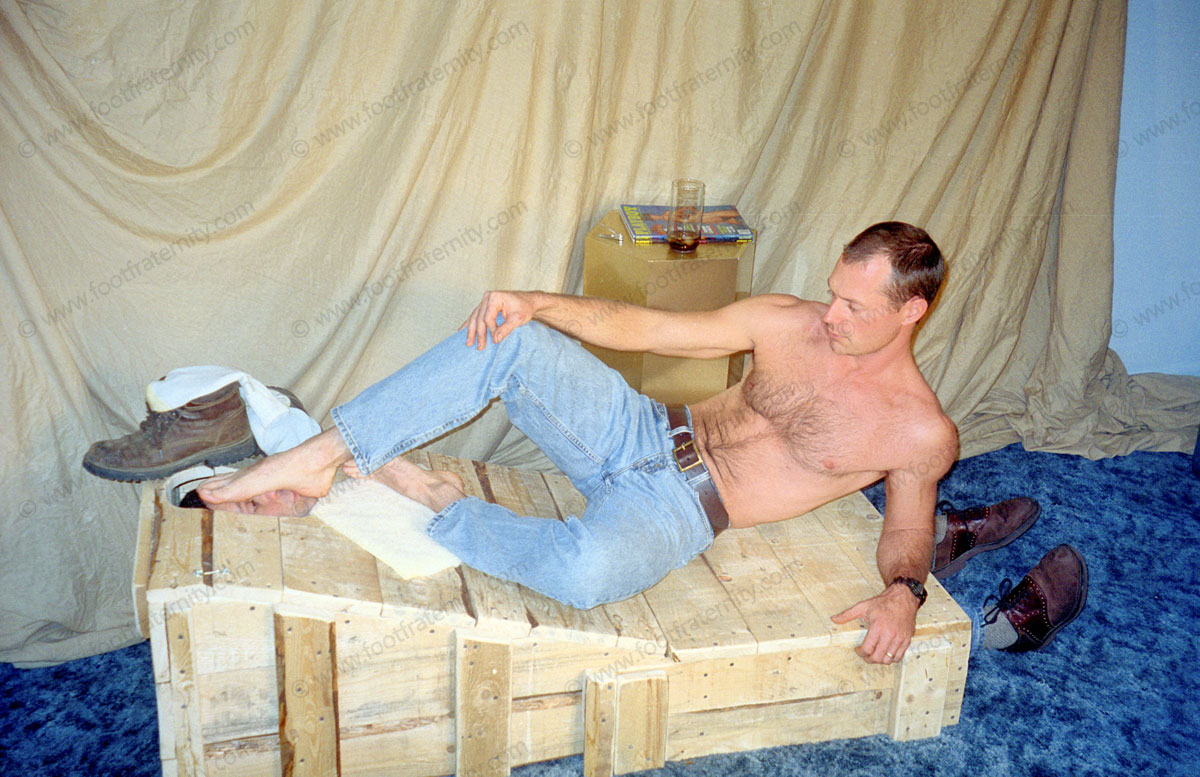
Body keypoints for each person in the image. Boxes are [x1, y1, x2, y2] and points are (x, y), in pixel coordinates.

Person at [199, 222, 1088, 664]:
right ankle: (317, 459)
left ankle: (437, 502)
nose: (831, 314)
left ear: (911, 311)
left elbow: (905, 526)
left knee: (587, 573)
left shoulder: (921, 431)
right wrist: (535, 303)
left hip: (682, 508)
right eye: (833, 293)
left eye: (855, 307)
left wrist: (904, 592)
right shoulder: (787, 321)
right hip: (642, 427)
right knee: (512, 338)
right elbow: (652, 329)